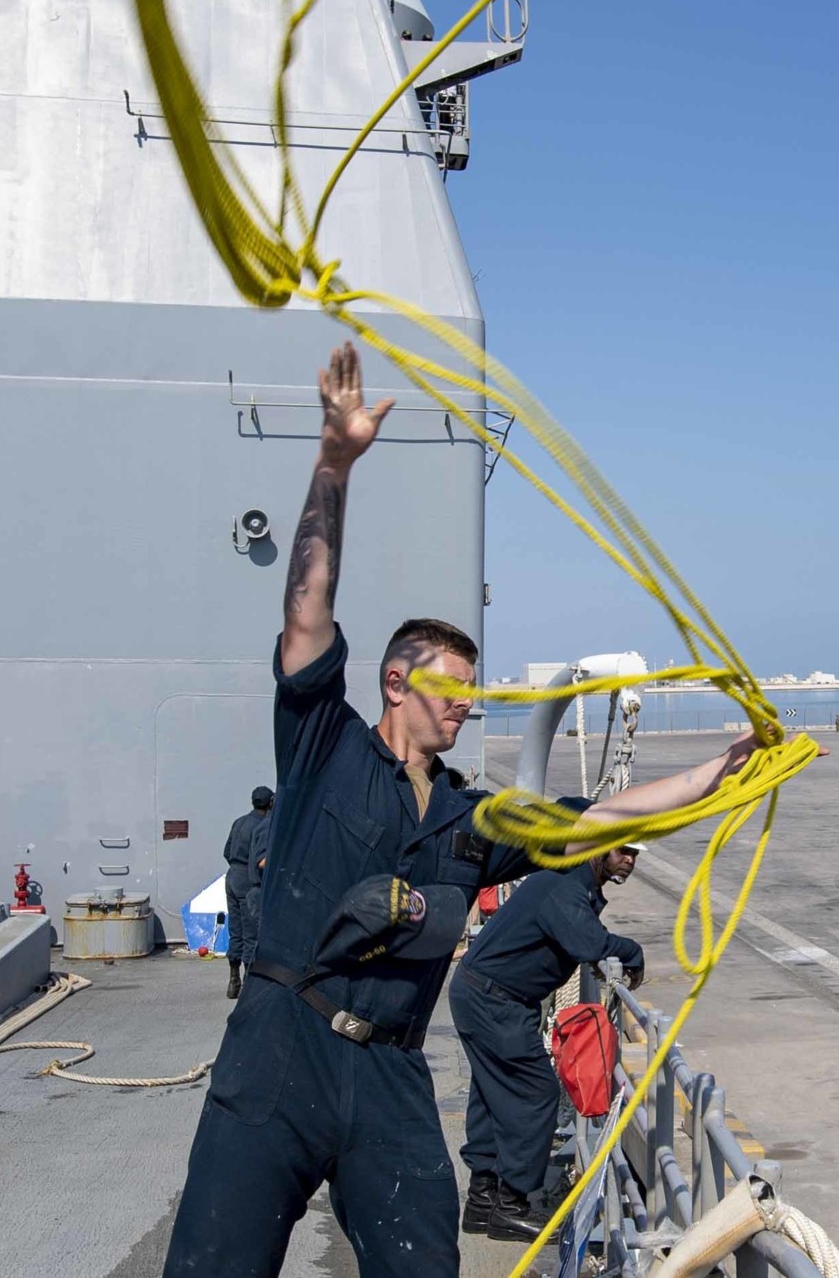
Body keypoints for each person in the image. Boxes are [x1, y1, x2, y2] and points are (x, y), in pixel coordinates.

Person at [162, 343, 762, 1278]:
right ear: (395, 680)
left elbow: (598, 820)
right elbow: (307, 610)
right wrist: (333, 463)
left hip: (392, 1075)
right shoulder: (323, 747)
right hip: (279, 1054)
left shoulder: (469, 821)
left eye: (474, 691)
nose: (467, 704)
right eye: (451, 687)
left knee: (423, 1265)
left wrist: (728, 767)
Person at [453, 843, 644, 1240]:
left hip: (487, 994)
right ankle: (511, 1205)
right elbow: (591, 944)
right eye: (623, 850)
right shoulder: (564, 889)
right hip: (494, 999)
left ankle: (482, 1201)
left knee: (491, 1093)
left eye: (635, 854)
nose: (630, 860)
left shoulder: (571, 886)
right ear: (598, 850)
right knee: (534, 1092)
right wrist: (633, 952)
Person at [223, 785, 274, 999]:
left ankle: (233, 979)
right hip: (248, 879)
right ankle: (247, 983)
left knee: (236, 931)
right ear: (270, 803)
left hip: (232, 876)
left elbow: (227, 851)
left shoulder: (239, 822)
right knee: (251, 932)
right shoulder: (262, 826)